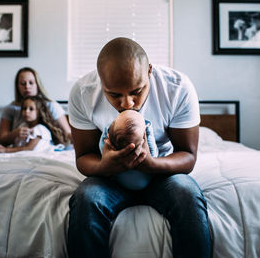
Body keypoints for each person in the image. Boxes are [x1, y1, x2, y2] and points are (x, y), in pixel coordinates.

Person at [67, 37, 211, 258]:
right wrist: (105, 166)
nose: (127, 103)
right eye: (114, 94)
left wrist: (151, 164)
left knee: (187, 194)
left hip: (162, 173)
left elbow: (188, 156)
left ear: (150, 71)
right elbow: (84, 157)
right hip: (109, 177)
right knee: (87, 198)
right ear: (100, 80)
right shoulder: (83, 93)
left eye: (137, 91)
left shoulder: (177, 88)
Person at [0, 67, 72, 147]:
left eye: (31, 83)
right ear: (17, 86)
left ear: (37, 84)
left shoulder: (51, 106)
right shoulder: (10, 109)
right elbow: (2, 139)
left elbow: (67, 133)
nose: (27, 87)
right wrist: (14, 134)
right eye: (23, 83)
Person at [99, 109, 158, 190]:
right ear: (144, 134)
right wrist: (148, 131)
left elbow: (102, 150)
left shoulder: (111, 150)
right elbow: (155, 154)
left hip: (120, 184)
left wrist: (106, 137)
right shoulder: (145, 152)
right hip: (147, 181)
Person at [0, 96, 64, 153]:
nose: (26, 111)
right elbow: (17, 147)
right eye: (24, 108)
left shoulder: (40, 129)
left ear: (38, 113)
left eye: (31, 109)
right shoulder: (21, 128)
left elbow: (28, 149)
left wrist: (5, 150)